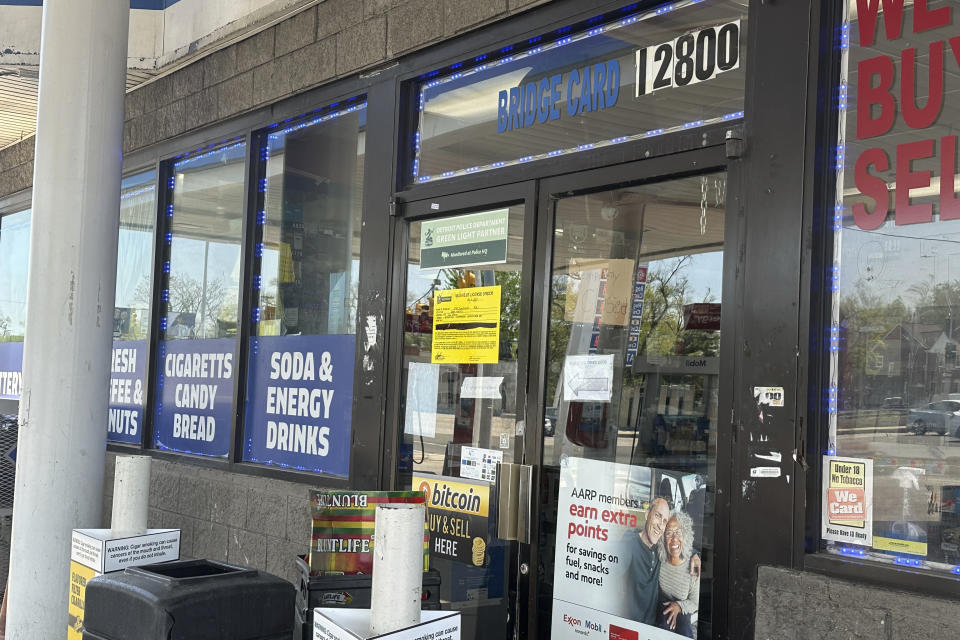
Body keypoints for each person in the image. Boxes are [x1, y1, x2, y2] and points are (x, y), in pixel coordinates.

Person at [620, 498, 701, 626]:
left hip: (657, 625)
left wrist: (696, 555)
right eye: (657, 516)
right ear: (647, 515)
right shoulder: (635, 546)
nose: (660, 526)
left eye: (664, 521)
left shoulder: (662, 549)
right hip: (633, 625)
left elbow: (678, 544)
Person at [657, 510, 700, 638]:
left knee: (685, 631)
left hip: (683, 610)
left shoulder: (693, 566)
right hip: (662, 610)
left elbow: (695, 602)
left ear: (685, 536)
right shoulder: (659, 561)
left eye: (678, 532)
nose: (674, 539)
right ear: (663, 538)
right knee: (665, 627)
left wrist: (678, 606)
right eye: (669, 533)